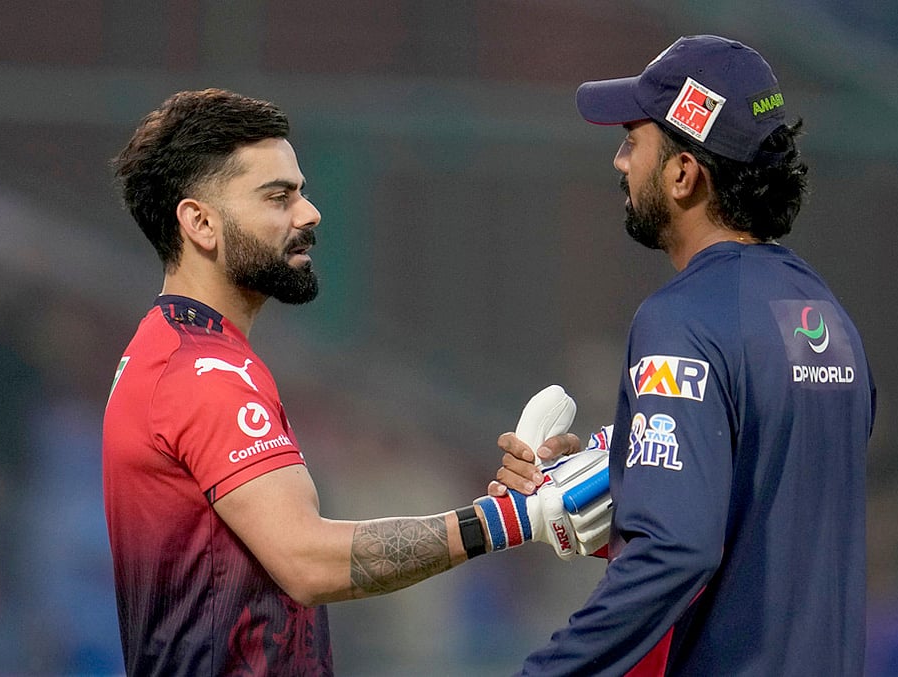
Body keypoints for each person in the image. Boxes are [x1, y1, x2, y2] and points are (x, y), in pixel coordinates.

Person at [101, 88, 603, 675]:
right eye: (278, 196)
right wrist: (508, 520)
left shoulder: (172, 351)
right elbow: (308, 561)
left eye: (302, 191)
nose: (309, 213)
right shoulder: (204, 372)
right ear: (201, 223)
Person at [491, 35, 876, 675]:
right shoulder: (827, 317)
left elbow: (677, 551)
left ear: (683, 173)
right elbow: (766, 503)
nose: (618, 161)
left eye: (631, 141)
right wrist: (616, 462)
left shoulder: (682, 319)